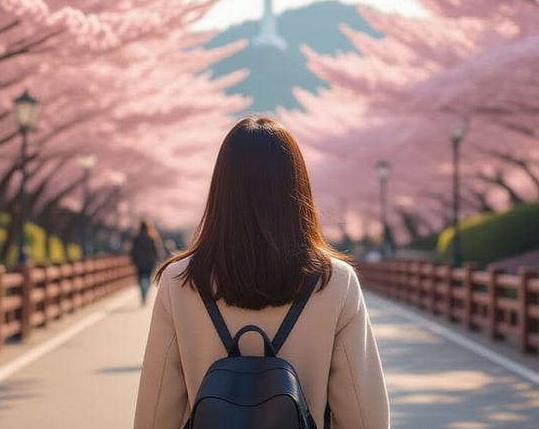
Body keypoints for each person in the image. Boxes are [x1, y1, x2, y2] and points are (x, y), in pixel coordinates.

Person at [135, 117, 389, 429]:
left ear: (221, 189)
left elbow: (153, 418)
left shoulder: (179, 281)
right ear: (297, 187)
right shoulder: (335, 281)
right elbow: (365, 419)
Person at [129, 219, 163, 305]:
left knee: (140, 279)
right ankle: (145, 292)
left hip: (139, 262)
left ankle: (142, 293)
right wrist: (157, 259)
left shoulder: (136, 238)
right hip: (149, 262)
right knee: (148, 278)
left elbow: (132, 251)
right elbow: (156, 250)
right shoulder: (151, 237)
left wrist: (133, 260)